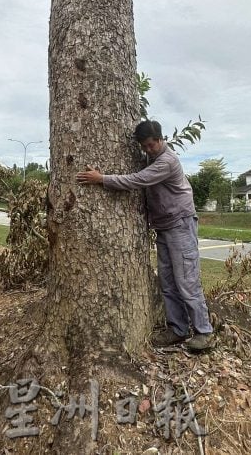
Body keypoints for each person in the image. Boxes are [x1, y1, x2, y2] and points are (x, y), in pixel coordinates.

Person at [76, 119, 214, 350]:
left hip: (180, 223)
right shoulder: (151, 158)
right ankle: (178, 330)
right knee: (168, 282)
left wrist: (102, 179)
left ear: (161, 139)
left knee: (187, 281)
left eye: (152, 144)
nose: (149, 149)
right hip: (163, 226)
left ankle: (204, 332)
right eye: (145, 146)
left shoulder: (166, 161)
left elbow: (137, 180)